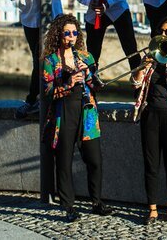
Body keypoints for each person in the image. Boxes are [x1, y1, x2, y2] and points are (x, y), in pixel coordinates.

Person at [41, 14, 114, 222]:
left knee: (95, 159)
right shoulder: (51, 60)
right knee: (63, 160)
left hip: (87, 111)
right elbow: (47, 92)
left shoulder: (86, 56)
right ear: (58, 34)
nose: (71, 37)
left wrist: (90, 75)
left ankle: (97, 201)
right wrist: (68, 83)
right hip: (63, 112)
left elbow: (98, 86)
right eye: (67, 33)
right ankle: (68, 206)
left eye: (74, 33)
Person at [131, 16, 167, 224]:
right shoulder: (151, 55)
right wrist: (141, 66)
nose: (163, 35)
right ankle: (153, 208)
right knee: (151, 164)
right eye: (161, 32)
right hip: (150, 113)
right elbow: (135, 83)